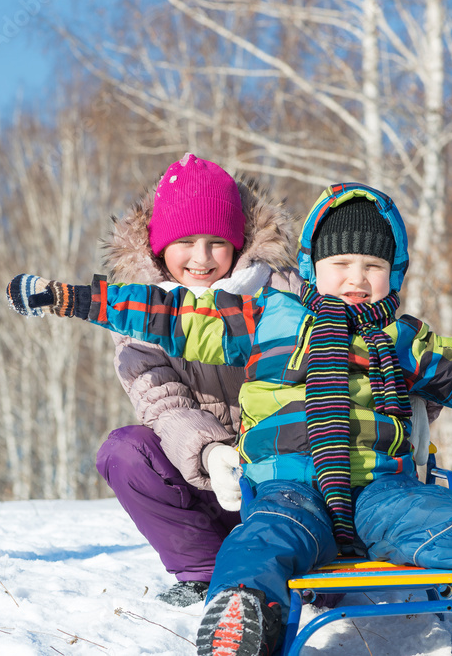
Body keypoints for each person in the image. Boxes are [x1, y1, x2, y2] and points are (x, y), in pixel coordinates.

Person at [7, 182, 452, 656]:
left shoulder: (405, 340)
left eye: (372, 268)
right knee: (261, 541)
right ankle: (242, 623)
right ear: (314, 267)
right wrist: (66, 297)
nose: (356, 280)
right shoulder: (264, 321)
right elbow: (167, 315)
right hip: (289, 483)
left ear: (392, 274)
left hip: (387, 490)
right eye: (341, 266)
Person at [96, 152, 303, 606]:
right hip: (208, 479)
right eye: (186, 241)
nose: (202, 258)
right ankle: (203, 570)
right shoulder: (135, 312)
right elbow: (161, 399)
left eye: (216, 241)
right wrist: (209, 451)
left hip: (287, 474)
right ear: (158, 245)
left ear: (240, 240)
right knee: (126, 452)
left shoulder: (285, 290)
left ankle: (310, 561)